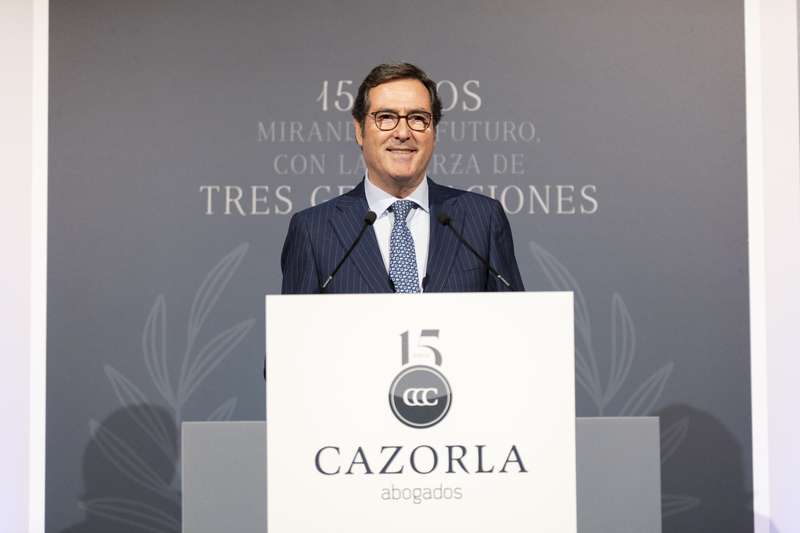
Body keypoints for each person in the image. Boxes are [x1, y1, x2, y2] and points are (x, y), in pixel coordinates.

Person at [280, 62, 524, 294]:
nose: (403, 133)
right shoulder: (313, 230)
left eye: (418, 118)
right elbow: (296, 323)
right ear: (359, 130)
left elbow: (514, 318)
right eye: (386, 117)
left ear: (434, 132)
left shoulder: (483, 219)